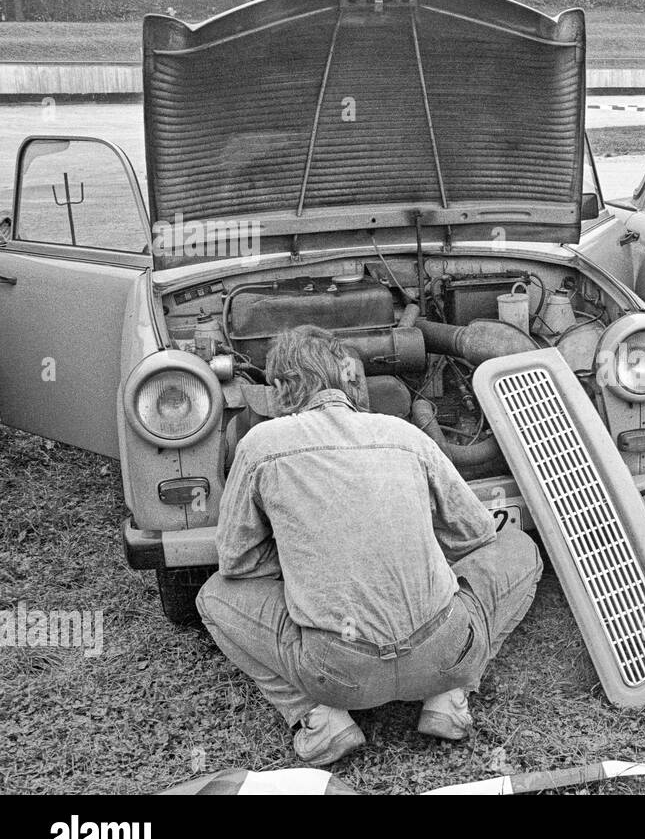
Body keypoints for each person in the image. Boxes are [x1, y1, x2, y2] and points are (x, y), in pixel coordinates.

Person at [196, 325, 542, 767]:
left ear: (282, 387)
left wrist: (305, 559)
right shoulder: (406, 433)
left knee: (214, 596)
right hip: (445, 650)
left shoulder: (260, 445)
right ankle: (449, 695)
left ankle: (321, 720)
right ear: (349, 379)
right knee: (519, 549)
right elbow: (476, 534)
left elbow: (236, 561)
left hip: (337, 673)